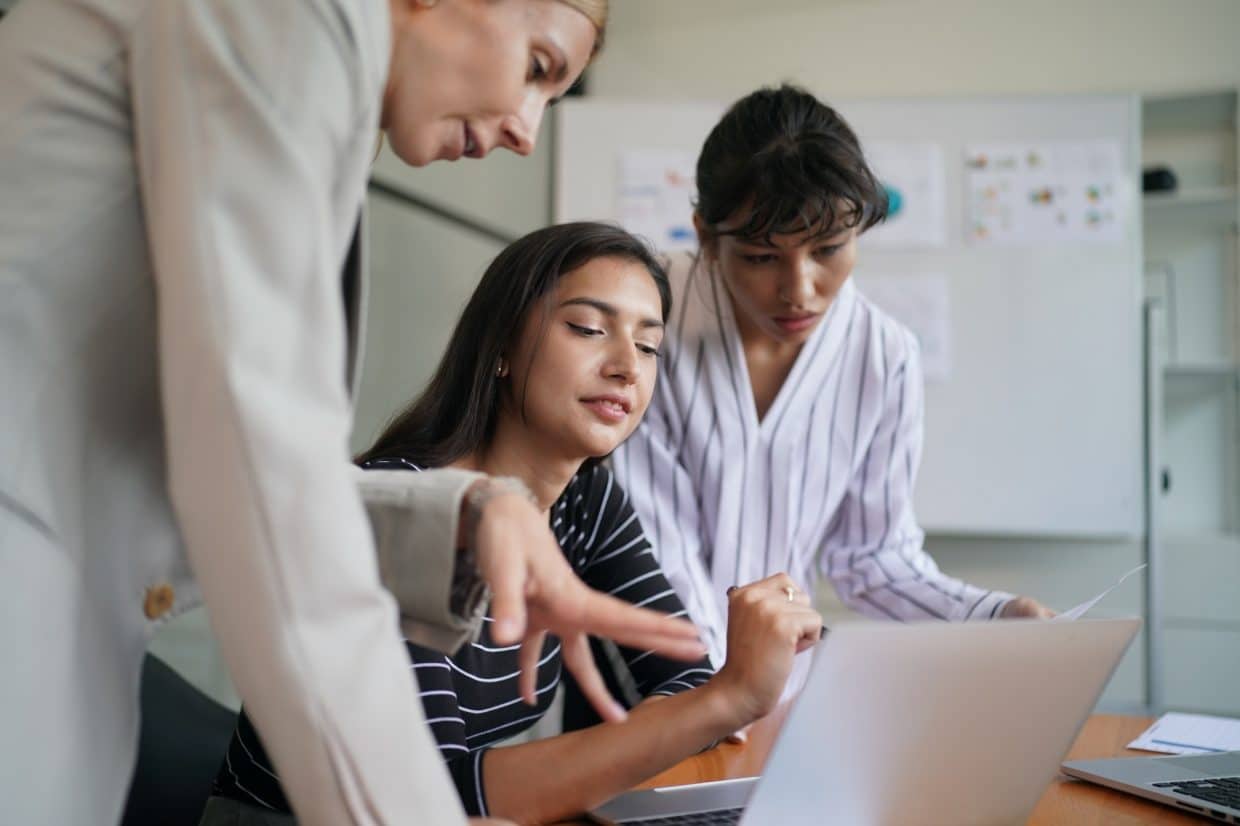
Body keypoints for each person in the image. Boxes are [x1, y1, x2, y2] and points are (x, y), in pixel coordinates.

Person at [0, 2, 706, 825]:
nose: (526, 130)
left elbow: (240, 474)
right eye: (538, 68)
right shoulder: (290, 19)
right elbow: (260, 472)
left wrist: (466, 517)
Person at [204, 222, 824, 825]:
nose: (626, 367)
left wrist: (709, 702)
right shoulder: (406, 518)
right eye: (588, 328)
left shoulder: (585, 501)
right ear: (501, 346)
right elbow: (435, 793)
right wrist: (724, 700)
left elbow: (680, 674)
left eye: (647, 345)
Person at [611, 84, 1054, 681]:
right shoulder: (645, 318)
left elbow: (871, 559)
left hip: (776, 683)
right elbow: (658, 552)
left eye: (829, 248)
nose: (800, 289)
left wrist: (992, 616)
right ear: (707, 237)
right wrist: (718, 696)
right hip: (639, 680)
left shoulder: (883, 356)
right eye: (762, 257)